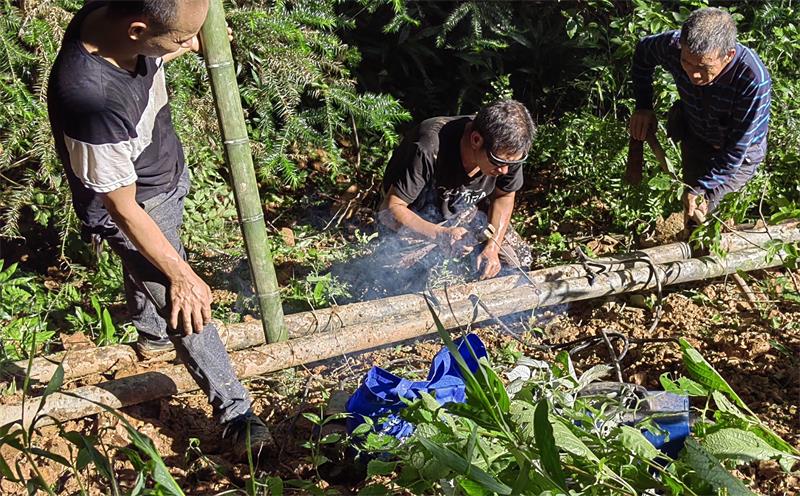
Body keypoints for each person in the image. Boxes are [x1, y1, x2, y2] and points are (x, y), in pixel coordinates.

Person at [47, 0, 270, 461]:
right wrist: (182, 275)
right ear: (136, 29)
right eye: (181, 38)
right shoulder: (90, 98)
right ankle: (235, 412)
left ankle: (150, 339)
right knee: (181, 297)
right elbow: (123, 209)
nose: (192, 44)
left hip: (162, 170)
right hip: (133, 206)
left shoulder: (110, 20)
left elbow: (159, 51)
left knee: (151, 273)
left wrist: (183, 42)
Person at [629, 7, 771, 225]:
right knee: (691, 206)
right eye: (687, 62)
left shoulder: (752, 79)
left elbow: (735, 153)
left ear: (729, 55)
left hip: (739, 155)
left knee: (708, 214)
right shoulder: (672, 47)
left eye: (704, 67)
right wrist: (644, 106)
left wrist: (703, 188)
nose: (693, 74)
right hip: (696, 134)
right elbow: (642, 54)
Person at [378, 99, 535, 280]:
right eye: (499, 162)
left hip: (466, 211)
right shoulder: (429, 146)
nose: (504, 171)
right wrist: (441, 235)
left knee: (516, 262)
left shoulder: (508, 152)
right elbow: (390, 210)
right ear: (476, 140)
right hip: (418, 219)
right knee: (390, 281)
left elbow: (504, 195)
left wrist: (492, 246)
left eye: (511, 163)